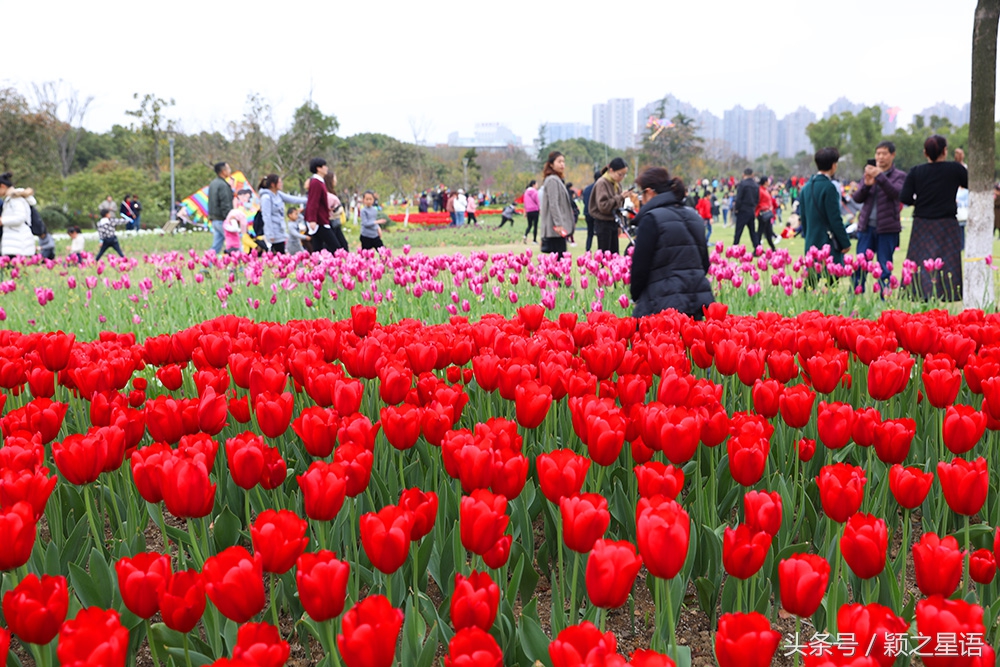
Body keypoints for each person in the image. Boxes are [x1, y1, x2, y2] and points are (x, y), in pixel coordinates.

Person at [629, 167, 713, 319]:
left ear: (649, 192)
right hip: (697, 302)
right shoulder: (693, 216)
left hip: (663, 305)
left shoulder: (651, 219)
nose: (641, 200)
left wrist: (636, 296)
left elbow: (640, 269)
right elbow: (704, 263)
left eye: (641, 194)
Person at [901, 134, 968, 301]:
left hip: (922, 223)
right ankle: (948, 293)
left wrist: (920, 202)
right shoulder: (955, 169)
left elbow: (905, 197)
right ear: (945, 151)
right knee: (947, 262)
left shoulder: (917, 171)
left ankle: (918, 294)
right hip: (947, 223)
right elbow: (972, 184)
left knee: (920, 259)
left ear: (925, 152)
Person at [851, 140, 907, 294]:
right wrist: (867, 184)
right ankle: (855, 298)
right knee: (860, 266)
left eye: (884, 153)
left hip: (887, 229)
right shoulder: (869, 175)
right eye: (878, 154)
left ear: (892, 155)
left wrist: (880, 177)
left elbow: (897, 193)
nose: (880, 157)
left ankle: (884, 301)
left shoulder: (899, 176)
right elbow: (857, 198)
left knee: (884, 267)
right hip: (866, 228)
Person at [799, 147, 851, 264]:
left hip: (811, 241)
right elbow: (835, 219)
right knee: (831, 279)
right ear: (833, 165)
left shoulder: (806, 187)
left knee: (812, 279)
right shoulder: (829, 187)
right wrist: (845, 242)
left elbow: (804, 218)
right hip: (827, 243)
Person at [258, 174, 308, 254]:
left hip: (281, 229)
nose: (281, 184)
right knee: (278, 253)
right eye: (279, 182)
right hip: (273, 231)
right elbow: (266, 217)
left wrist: (308, 200)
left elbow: (292, 199)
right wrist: (270, 234)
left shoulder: (278, 194)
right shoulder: (266, 197)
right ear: (273, 184)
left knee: (281, 252)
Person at [538, 151, 575, 255]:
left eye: (563, 161)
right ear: (551, 164)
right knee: (557, 261)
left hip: (557, 230)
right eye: (559, 162)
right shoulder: (552, 180)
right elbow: (553, 203)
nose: (562, 164)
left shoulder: (557, 179)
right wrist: (558, 224)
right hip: (554, 231)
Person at [589, 157, 629, 254]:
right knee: (605, 255)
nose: (622, 177)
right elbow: (603, 206)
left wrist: (621, 224)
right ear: (611, 170)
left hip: (614, 222)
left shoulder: (616, 184)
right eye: (620, 174)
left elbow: (618, 208)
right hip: (603, 223)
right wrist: (620, 197)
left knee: (615, 254)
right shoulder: (602, 183)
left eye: (624, 175)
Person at [0, 173, 37, 257]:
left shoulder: (15, 199)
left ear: (2, 186)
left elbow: (20, 217)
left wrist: (2, 220)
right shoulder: (9, 200)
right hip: (14, 244)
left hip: (19, 245)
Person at [304, 158, 336, 253]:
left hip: (320, 219)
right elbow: (313, 202)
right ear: (319, 168)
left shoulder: (319, 181)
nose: (326, 168)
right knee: (335, 246)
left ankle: (317, 266)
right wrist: (312, 219)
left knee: (317, 248)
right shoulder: (316, 182)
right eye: (324, 166)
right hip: (319, 221)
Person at [208, 162, 234, 254]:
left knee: (216, 245)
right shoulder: (223, 185)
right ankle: (238, 265)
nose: (230, 171)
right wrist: (230, 219)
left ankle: (207, 262)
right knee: (234, 244)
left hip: (215, 219)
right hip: (223, 219)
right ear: (223, 171)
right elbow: (225, 203)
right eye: (228, 169)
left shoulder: (213, 183)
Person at [733, 168, 760, 248]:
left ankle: (735, 247)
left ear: (744, 174)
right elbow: (757, 199)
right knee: (752, 232)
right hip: (751, 210)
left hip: (743, 210)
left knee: (738, 231)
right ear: (752, 174)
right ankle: (757, 248)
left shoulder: (742, 184)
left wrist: (736, 208)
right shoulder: (756, 185)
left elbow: (739, 198)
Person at [324, 171, 349, 251]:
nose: (336, 180)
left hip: (336, 223)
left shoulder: (331, 192)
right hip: (330, 223)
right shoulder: (327, 195)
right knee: (335, 246)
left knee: (342, 245)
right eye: (334, 178)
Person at [755, 176, 777, 251]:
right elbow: (757, 201)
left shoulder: (765, 190)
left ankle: (772, 248)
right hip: (762, 213)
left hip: (767, 213)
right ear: (765, 182)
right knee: (761, 231)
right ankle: (757, 248)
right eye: (768, 180)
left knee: (767, 231)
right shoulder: (760, 190)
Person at [581, 170, 600, 251]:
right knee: (600, 233)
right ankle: (600, 250)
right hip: (597, 213)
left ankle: (588, 249)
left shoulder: (587, 188)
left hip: (587, 212)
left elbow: (584, 200)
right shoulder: (600, 188)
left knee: (590, 233)